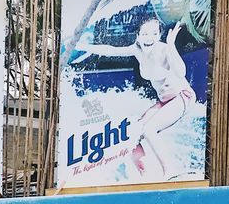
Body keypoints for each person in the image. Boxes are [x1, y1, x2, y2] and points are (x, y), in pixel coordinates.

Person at [76, 15, 195, 178]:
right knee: (130, 136)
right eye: (145, 34)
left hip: (182, 98)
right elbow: (110, 50)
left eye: (154, 34)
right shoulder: (136, 49)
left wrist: (171, 45)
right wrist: (82, 46)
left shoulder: (165, 49)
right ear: (138, 36)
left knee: (149, 129)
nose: (149, 38)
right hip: (164, 102)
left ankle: (171, 171)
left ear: (159, 36)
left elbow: (181, 73)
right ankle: (145, 175)